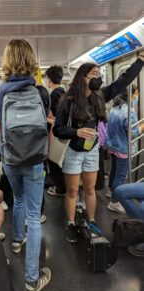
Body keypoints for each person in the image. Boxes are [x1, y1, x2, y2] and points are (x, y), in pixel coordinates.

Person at [53, 50, 144, 243]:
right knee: (72, 192)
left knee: (90, 189)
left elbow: (122, 82)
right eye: (94, 74)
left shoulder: (99, 96)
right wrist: (76, 132)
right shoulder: (68, 102)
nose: (98, 78)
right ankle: (70, 223)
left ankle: (92, 220)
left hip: (92, 150)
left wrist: (140, 61)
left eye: (99, 74)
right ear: (82, 78)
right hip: (73, 151)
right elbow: (58, 130)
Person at [0, 39, 51, 291]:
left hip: (10, 158)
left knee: (17, 199)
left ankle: (17, 242)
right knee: (33, 215)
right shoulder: (41, 93)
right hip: (34, 160)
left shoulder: (0, 93)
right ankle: (31, 280)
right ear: (31, 60)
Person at [106, 90, 144, 213]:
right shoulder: (129, 111)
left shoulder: (114, 108)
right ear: (130, 95)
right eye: (136, 94)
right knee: (121, 176)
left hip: (113, 146)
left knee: (114, 172)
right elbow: (133, 133)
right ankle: (114, 202)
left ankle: (111, 191)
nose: (137, 97)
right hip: (123, 148)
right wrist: (142, 126)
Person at [45, 65, 66, 197]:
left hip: (54, 132)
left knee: (53, 161)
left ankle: (60, 188)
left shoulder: (52, 95)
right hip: (64, 132)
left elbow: (52, 117)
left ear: (49, 80)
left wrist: (47, 118)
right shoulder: (65, 93)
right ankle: (63, 186)